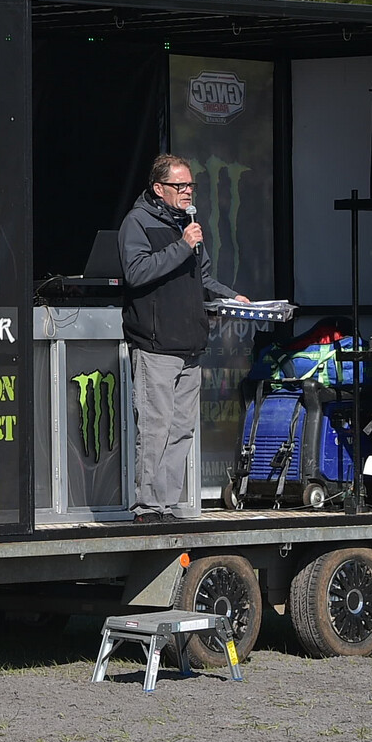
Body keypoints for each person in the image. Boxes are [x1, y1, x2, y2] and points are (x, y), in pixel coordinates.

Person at [121, 155, 247, 520]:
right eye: (181, 186)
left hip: (190, 346)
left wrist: (230, 298)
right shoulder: (138, 222)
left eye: (191, 185)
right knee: (155, 429)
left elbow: (202, 278)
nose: (188, 191)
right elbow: (137, 272)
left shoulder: (189, 224)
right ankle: (147, 508)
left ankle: (168, 504)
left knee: (180, 432)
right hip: (156, 345)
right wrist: (181, 245)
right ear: (159, 189)